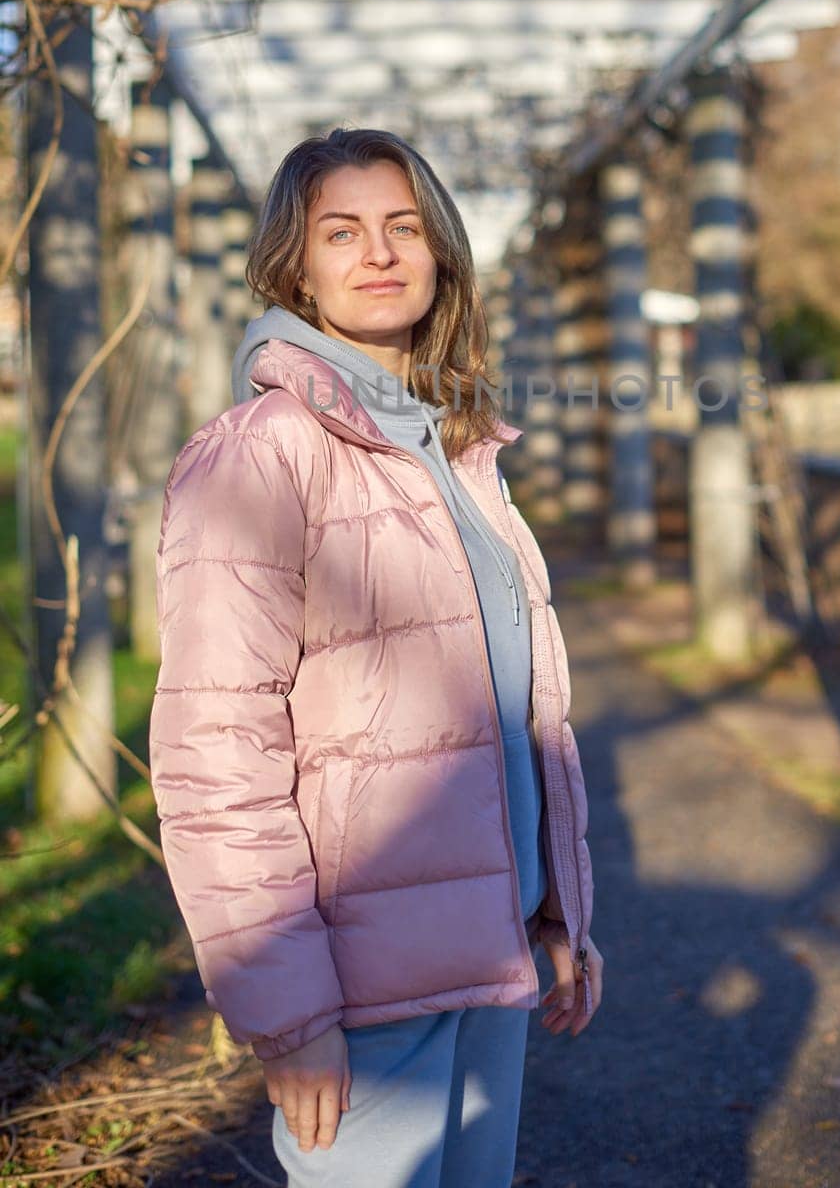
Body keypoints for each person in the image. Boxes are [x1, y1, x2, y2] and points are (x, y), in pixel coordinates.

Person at [149, 127, 603, 1188]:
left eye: (404, 227)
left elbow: (512, 711)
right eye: (341, 231)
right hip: (358, 980)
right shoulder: (264, 451)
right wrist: (289, 1008)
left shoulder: (456, 450)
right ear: (293, 266)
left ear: (442, 249)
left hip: (484, 955)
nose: (380, 252)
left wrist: (552, 911)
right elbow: (217, 753)